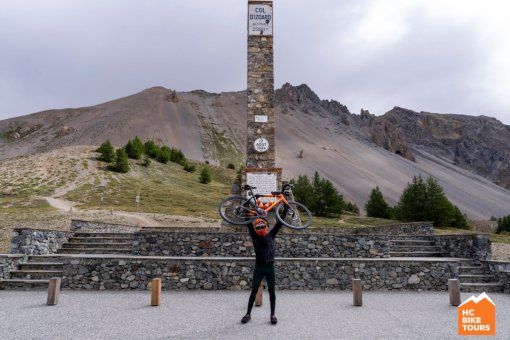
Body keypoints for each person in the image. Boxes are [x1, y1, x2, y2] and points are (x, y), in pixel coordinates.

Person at [241, 208, 287, 325]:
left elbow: (280, 223)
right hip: (259, 267)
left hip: (270, 267)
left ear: (266, 226)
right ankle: (248, 314)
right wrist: (246, 208)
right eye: (258, 227)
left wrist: (285, 210)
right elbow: (249, 224)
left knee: (272, 291)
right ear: (256, 229)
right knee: (254, 291)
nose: (261, 229)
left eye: (262, 227)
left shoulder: (271, 235)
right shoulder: (255, 237)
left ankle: (272, 315)